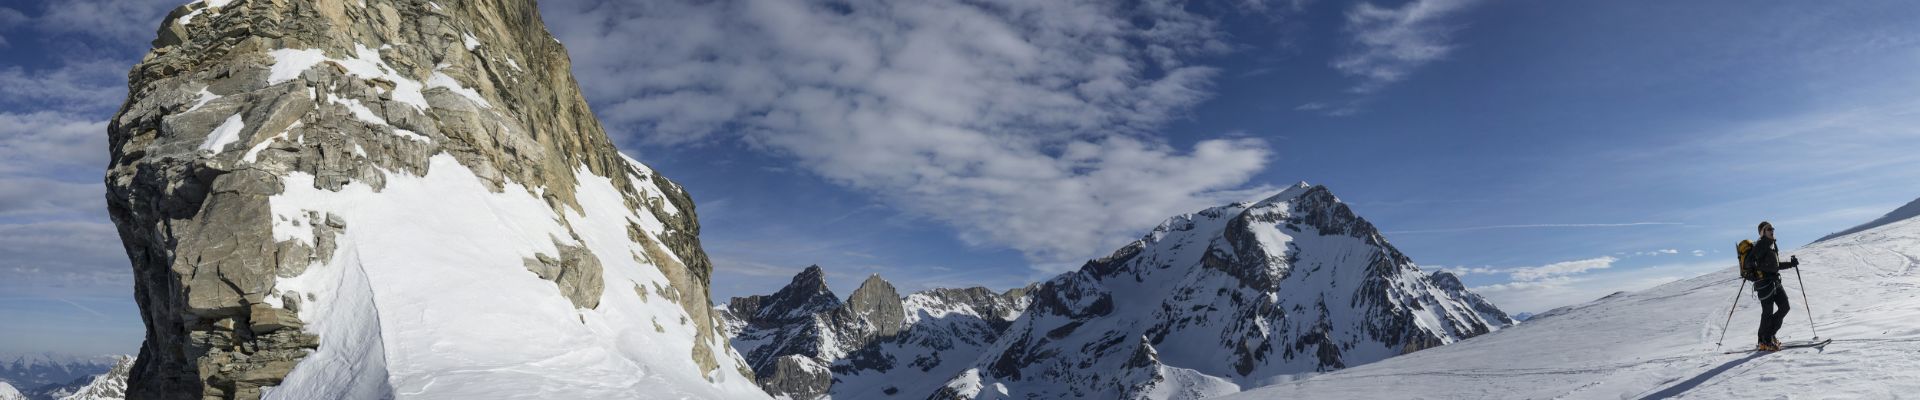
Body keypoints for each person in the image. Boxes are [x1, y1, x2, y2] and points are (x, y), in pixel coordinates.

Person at [1746, 221, 1799, 351]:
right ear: (1763, 232)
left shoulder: (1772, 244)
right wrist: (1760, 268)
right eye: (1769, 229)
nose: (1772, 230)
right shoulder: (1761, 244)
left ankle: (1769, 335)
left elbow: (1775, 266)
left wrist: (1791, 264)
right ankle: (1765, 340)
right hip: (1764, 284)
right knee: (1767, 312)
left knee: (1785, 307)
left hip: (1775, 281)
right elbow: (1749, 262)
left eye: (1772, 228)